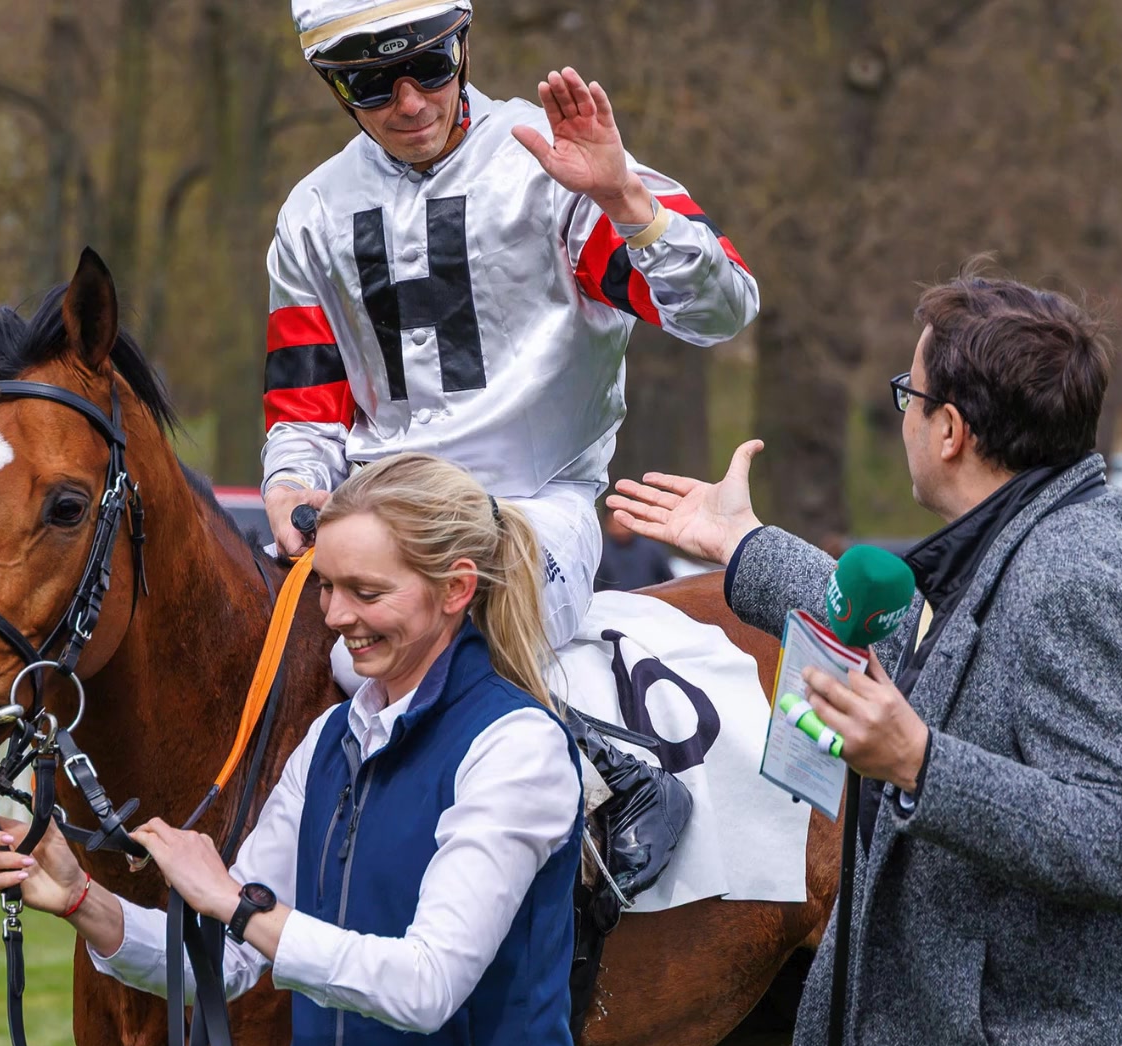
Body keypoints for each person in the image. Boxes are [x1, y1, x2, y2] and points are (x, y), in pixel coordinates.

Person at [608, 269, 1122, 1046]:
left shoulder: (1080, 577)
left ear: (951, 431)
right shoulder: (1021, 538)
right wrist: (742, 545)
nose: (905, 419)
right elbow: (915, 650)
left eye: (910, 395)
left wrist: (921, 765)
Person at [0, 453, 583, 1046]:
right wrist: (83, 902)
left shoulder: (515, 748)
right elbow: (230, 963)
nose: (335, 617)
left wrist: (234, 901)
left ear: (456, 588)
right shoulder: (328, 738)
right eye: (326, 585)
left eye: (366, 592)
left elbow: (425, 987)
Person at [259, 0, 758, 655]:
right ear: (333, 86)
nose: (410, 104)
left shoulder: (550, 164)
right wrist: (290, 485)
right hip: (374, 520)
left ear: (463, 47)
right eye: (372, 84)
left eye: (429, 67)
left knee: (446, 634)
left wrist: (625, 200)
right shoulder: (311, 213)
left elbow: (720, 310)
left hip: (535, 512)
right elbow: (305, 412)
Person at [593, 504, 673, 592]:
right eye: (615, 523)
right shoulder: (600, 552)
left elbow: (669, 581)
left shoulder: (651, 549)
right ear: (607, 524)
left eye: (622, 523)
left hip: (649, 601)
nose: (619, 528)